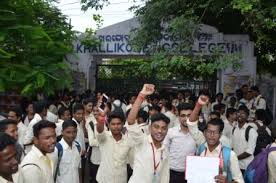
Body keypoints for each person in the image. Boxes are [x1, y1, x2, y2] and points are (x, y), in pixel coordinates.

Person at [187, 96, 244, 183]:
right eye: (209, 132)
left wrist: (227, 182)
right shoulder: (202, 146)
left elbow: (240, 181)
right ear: (205, 133)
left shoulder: (230, 155)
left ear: (220, 135)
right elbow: (191, 124)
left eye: (215, 132)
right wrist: (198, 105)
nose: (211, 135)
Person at [127, 84, 170, 183]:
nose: (160, 131)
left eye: (163, 128)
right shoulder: (142, 140)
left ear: (167, 130)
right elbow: (130, 121)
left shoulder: (165, 151)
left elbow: (164, 177)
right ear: (150, 128)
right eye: (156, 127)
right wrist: (141, 95)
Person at [95, 111, 134, 183]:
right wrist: (100, 121)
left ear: (123, 124)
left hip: (121, 180)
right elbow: (100, 131)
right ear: (108, 125)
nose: (116, 126)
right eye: (113, 124)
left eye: (118, 124)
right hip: (104, 180)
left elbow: (133, 163)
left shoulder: (128, 141)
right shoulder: (104, 137)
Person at [164, 103, 197, 183]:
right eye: (183, 115)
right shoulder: (171, 132)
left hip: (191, 174)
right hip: (172, 173)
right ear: (178, 117)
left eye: (189, 115)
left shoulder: (198, 135)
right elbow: (164, 151)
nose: (186, 118)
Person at [231, 105, 258, 174]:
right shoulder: (234, 129)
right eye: (238, 113)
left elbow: (249, 152)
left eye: (243, 113)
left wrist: (235, 158)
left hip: (246, 166)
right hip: (235, 165)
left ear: (247, 116)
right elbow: (232, 147)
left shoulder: (251, 131)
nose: (240, 115)